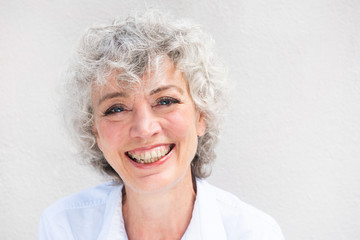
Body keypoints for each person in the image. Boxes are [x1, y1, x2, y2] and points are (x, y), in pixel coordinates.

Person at [39, 10, 285, 240]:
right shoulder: (65, 228)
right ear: (95, 132)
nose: (144, 129)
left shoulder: (255, 233)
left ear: (201, 115)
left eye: (165, 101)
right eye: (116, 108)